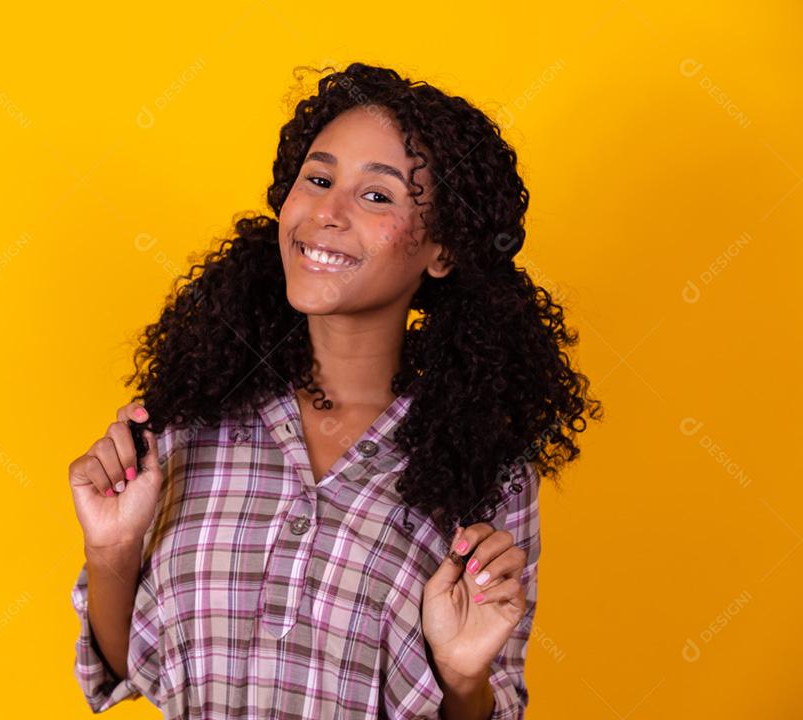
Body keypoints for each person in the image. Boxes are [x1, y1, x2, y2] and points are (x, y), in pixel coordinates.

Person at [68, 62, 601, 719]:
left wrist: (463, 677)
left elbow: (493, 703)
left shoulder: (485, 470)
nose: (326, 212)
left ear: (442, 249)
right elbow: (132, 669)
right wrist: (112, 547)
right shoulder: (192, 417)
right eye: (317, 180)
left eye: (376, 196)